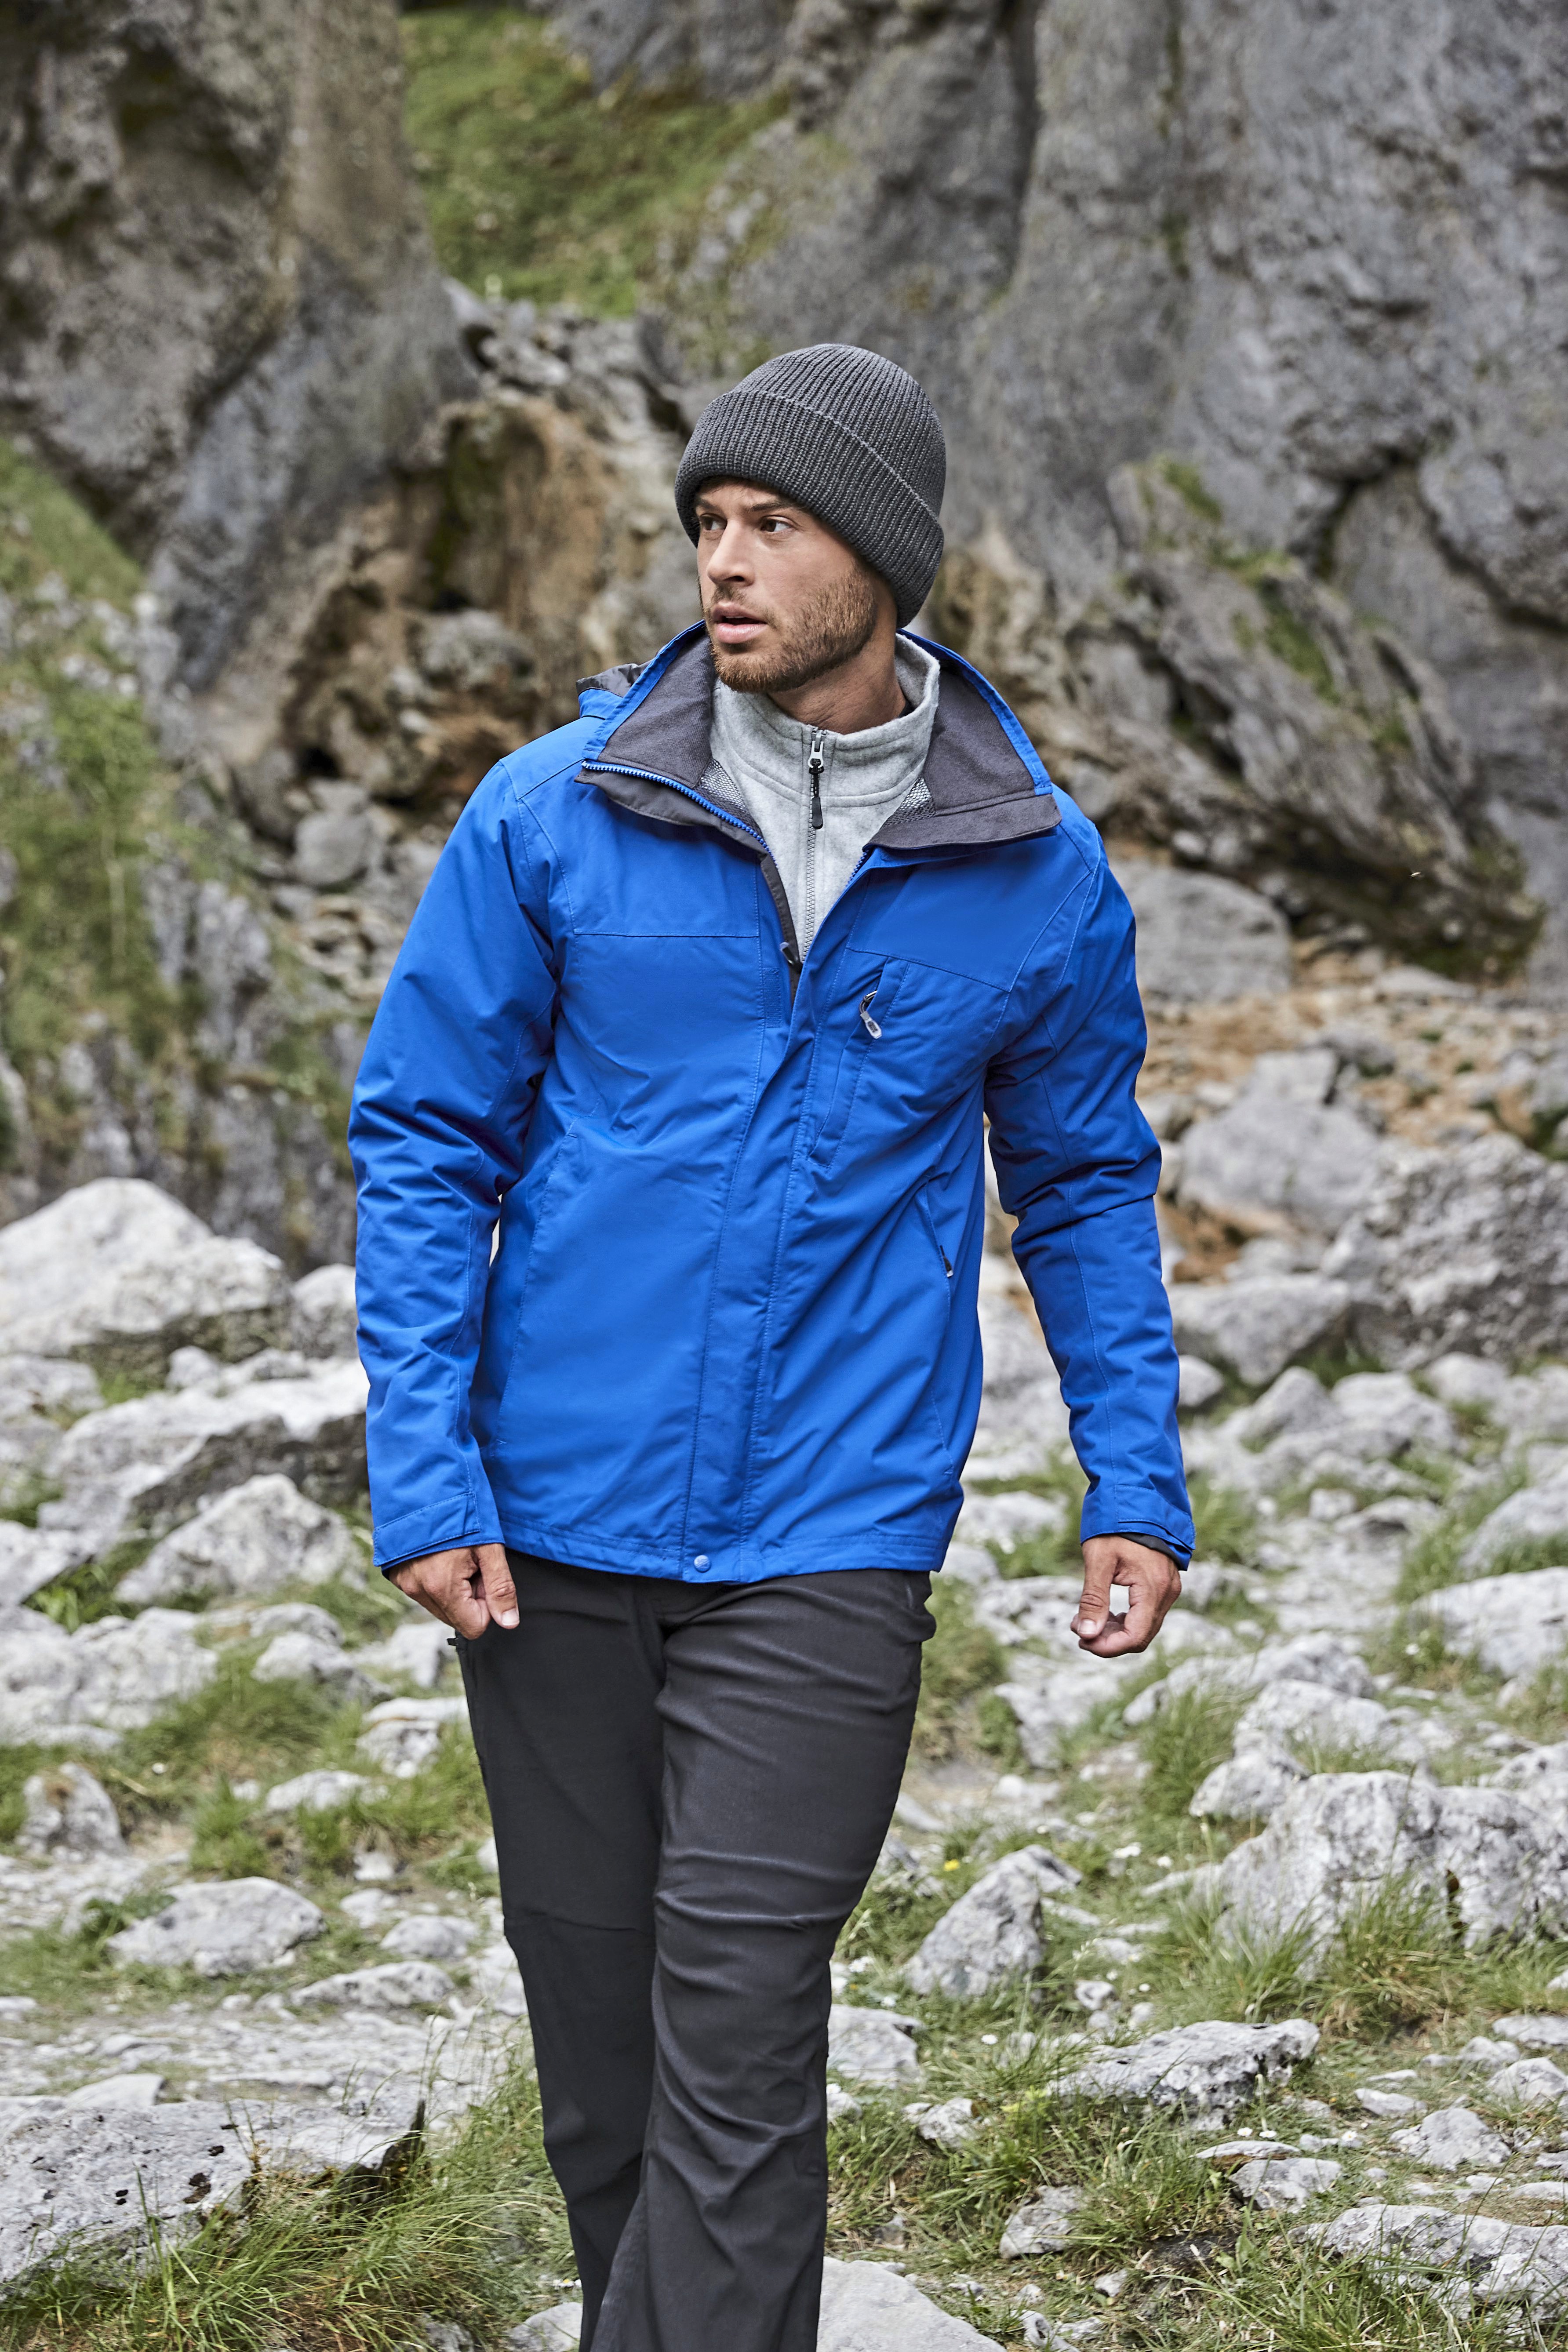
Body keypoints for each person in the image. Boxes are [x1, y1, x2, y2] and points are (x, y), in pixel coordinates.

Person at [349, 342, 1193, 2352]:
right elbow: (424, 1141)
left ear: (880, 562)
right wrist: (427, 1469)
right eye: (708, 524)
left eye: (774, 525)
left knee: (736, 2030)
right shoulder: (551, 815)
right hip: (547, 1523)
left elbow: (1082, 1184)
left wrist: (1135, 1477)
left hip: (830, 1529)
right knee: (604, 2069)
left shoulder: (1033, 872)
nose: (723, 562)